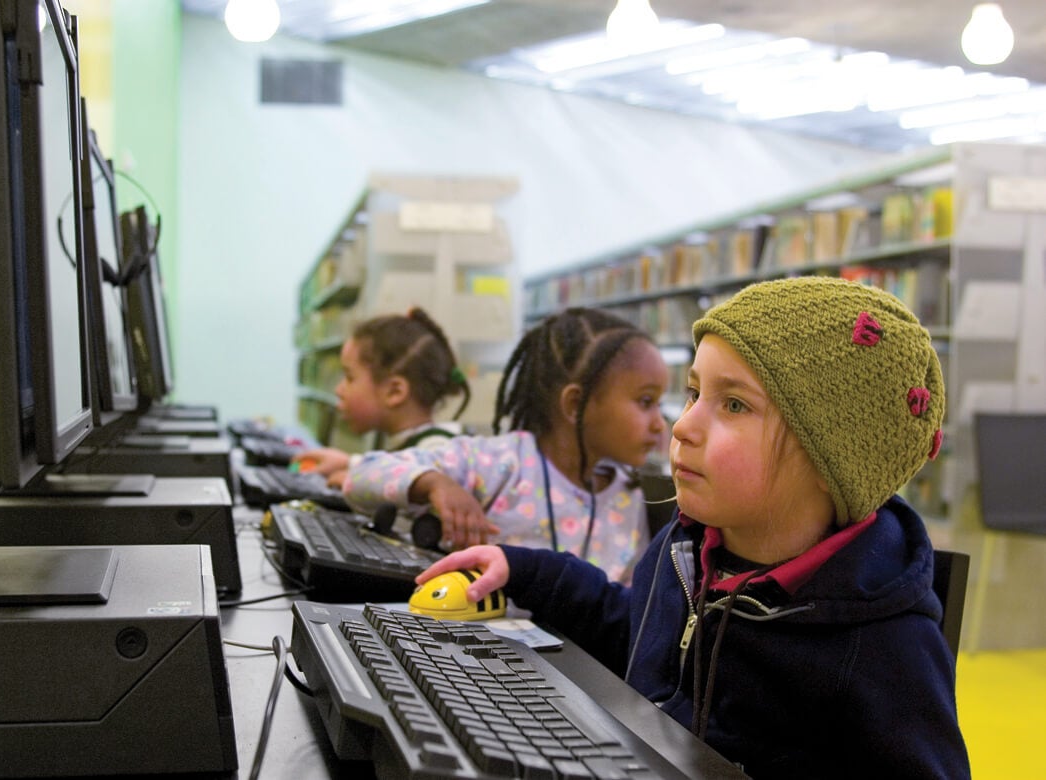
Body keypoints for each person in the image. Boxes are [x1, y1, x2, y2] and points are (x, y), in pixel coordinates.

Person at [415, 276, 970, 779]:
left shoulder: (882, 646)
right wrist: (524, 568)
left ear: (831, 461)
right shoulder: (686, 548)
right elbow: (635, 635)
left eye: (732, 404)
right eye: (693, 392)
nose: (682, 426)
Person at [342, 307, 670, 583]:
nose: (660, 423)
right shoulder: (498, 462)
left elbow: (628, 601)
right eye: (645, 402)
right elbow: (361, 476)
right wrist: (432, 483)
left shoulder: (628, 494)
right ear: (574, 404)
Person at [294, 307, 470, 487]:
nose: (339, 390)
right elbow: (396, 469)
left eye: (349, 377)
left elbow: (410, 481)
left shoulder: (438, 453)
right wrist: (348, 463)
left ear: (395, 392)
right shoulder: (412, 446)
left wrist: (360, 482)